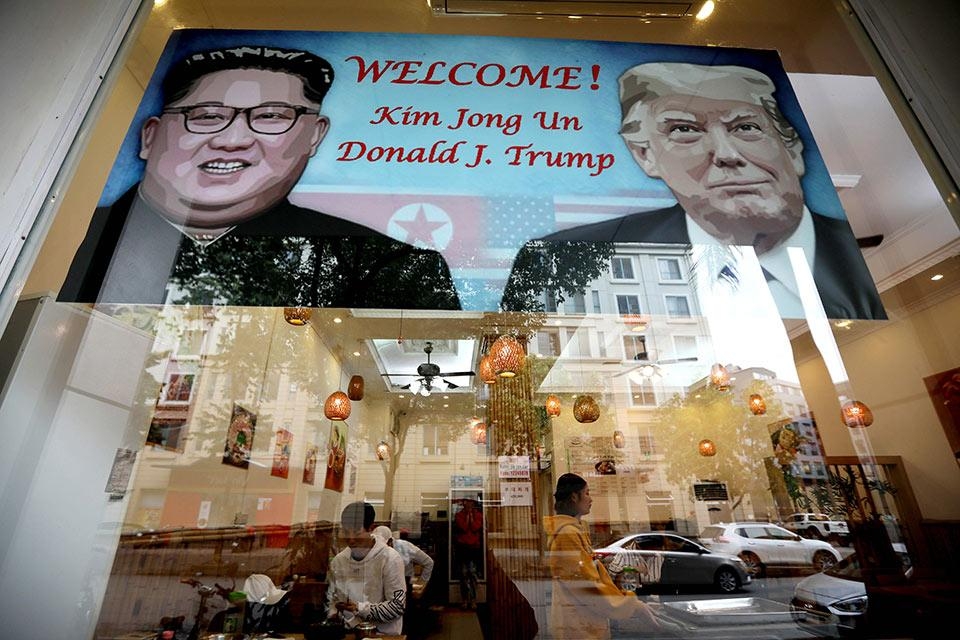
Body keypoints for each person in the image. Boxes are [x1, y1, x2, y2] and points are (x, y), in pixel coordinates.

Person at [59, 44, 460, 310]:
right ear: (151, 136)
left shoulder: (381, 262)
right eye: (207, 116)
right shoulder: (63, 235)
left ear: (314, 136)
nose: (232, 140)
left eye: (270, 116)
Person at [508, 62, 884, 321]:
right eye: (685, 130)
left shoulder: (868, 271)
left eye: (746, 127)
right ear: (644, 156)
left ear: (793, 149)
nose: (727, 154)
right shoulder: (558, 262)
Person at [544, 473, 664, 640]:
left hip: (582, 625)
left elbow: (590, 576)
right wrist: (632, 605)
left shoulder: (572, 531)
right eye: (587, 493)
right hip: (580, 629)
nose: (591, 499)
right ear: (574, 497)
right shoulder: (568, 534)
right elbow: (587, 586)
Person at [326, 502, 406, 636]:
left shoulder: (390, 559)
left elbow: (397, 607)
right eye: (346, 532)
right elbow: (333, 599)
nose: (351, 539)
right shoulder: (339, 561)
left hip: (382, 635)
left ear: (371, 528)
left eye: (357, 533)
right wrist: (333, 612)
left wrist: (359, 608)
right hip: (348, 634)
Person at [372, 526, 435, 639]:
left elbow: (428, 562)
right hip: (383, 587)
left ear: (390, 541)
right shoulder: (374, 549)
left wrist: (422, 584)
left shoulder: (405, 547)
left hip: (405, 586)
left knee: (407, 622)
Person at [452, 497, 483, 609]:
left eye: (471, 502)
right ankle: (464, 600)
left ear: (473, 504)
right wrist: (468, 518)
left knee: (472, 573)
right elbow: (464, 527)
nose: (469, 504)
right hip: (463, 548)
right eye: (467, 502)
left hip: (473, 548)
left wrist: (471, 518)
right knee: (463, 574)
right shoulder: (459, 515)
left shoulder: (478, 515)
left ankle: (473, 600)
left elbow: (475, 527)